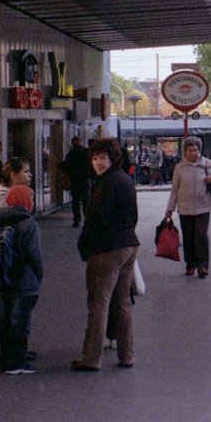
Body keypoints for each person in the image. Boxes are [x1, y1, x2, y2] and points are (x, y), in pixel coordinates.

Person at [73, 138, 140, 371]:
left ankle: (91, 358)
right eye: (94, 158)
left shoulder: (106, 183)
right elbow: (133, 214)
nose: (98, 163)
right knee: (122, 302)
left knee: (98, 303)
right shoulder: (125, 179)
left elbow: (96, 221)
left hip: (107, 248)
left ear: (112, 158)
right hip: (128, 244)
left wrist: (84, 245)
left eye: (102, 158)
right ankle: (127, 355)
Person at [0, 184, 44, 374]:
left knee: (5, 321)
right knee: (20, 322)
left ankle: (6, 358)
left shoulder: (2, 221)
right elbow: (35, 255)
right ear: (26, 202)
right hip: (25, 281)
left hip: (4, 279)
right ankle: (16, 362)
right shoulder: (28, 224)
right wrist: (40, 275)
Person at [165, 137, 211, 277]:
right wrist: (170, 208)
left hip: (203, 206)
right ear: (185, 152)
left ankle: (202, 266)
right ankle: (190, 264)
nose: (193, 153)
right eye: (190, 151)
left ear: (199, 150)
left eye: (195, 150)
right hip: (185, 207)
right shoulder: (180, 167)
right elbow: (175, 189)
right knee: (188, 237)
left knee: (201, 235)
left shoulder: (206, 163)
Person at [61, 136, 93, 227]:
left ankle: (76, 219)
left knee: (75, 201)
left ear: (73, 143)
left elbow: (66, 166)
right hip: (86, 180)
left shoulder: (71, 154)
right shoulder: (87, 152)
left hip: (75, 181)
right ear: (81, 142)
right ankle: (87, 220)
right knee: (86, 201)